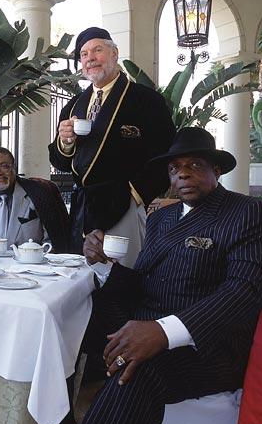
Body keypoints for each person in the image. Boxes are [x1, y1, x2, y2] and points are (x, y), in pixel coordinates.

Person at [78, 127, 262, 424]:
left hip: (207, 345)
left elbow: (247, 289)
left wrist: (163, 332)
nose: (183, 175)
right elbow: (146, 282)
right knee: (69, 322)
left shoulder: (249, 211)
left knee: (137, 372)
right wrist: (104, 265)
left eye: (194, 165)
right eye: (174, 169)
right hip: (144, 324)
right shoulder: (162, 217)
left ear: (216, 170)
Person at [49, 27, 175, 260]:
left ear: (114, 53)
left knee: (121, 276)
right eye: (84, 54)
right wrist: (65, 142)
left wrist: (134, 196)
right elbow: (60, 162)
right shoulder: (74, 106)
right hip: (82, 210)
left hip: (121, 205)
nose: (90, 59)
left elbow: (166, 153)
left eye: (97, 50)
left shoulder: (146, 101)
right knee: (81, 279)